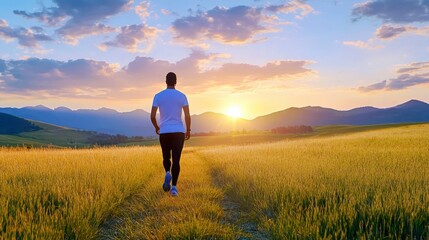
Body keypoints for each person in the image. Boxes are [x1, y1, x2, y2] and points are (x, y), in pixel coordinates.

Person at [150, 72, 191, 197]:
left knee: (166, 157)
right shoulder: (182, 96)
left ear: (165, 81)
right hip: (178, 131)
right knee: (176, 160)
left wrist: (157, 127)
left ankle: (168, 172)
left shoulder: (158, 96)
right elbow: (187, 115)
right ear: (176, 81)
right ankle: (174, 188)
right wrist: (188, 130)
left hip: (165, 132)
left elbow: (152, 116)